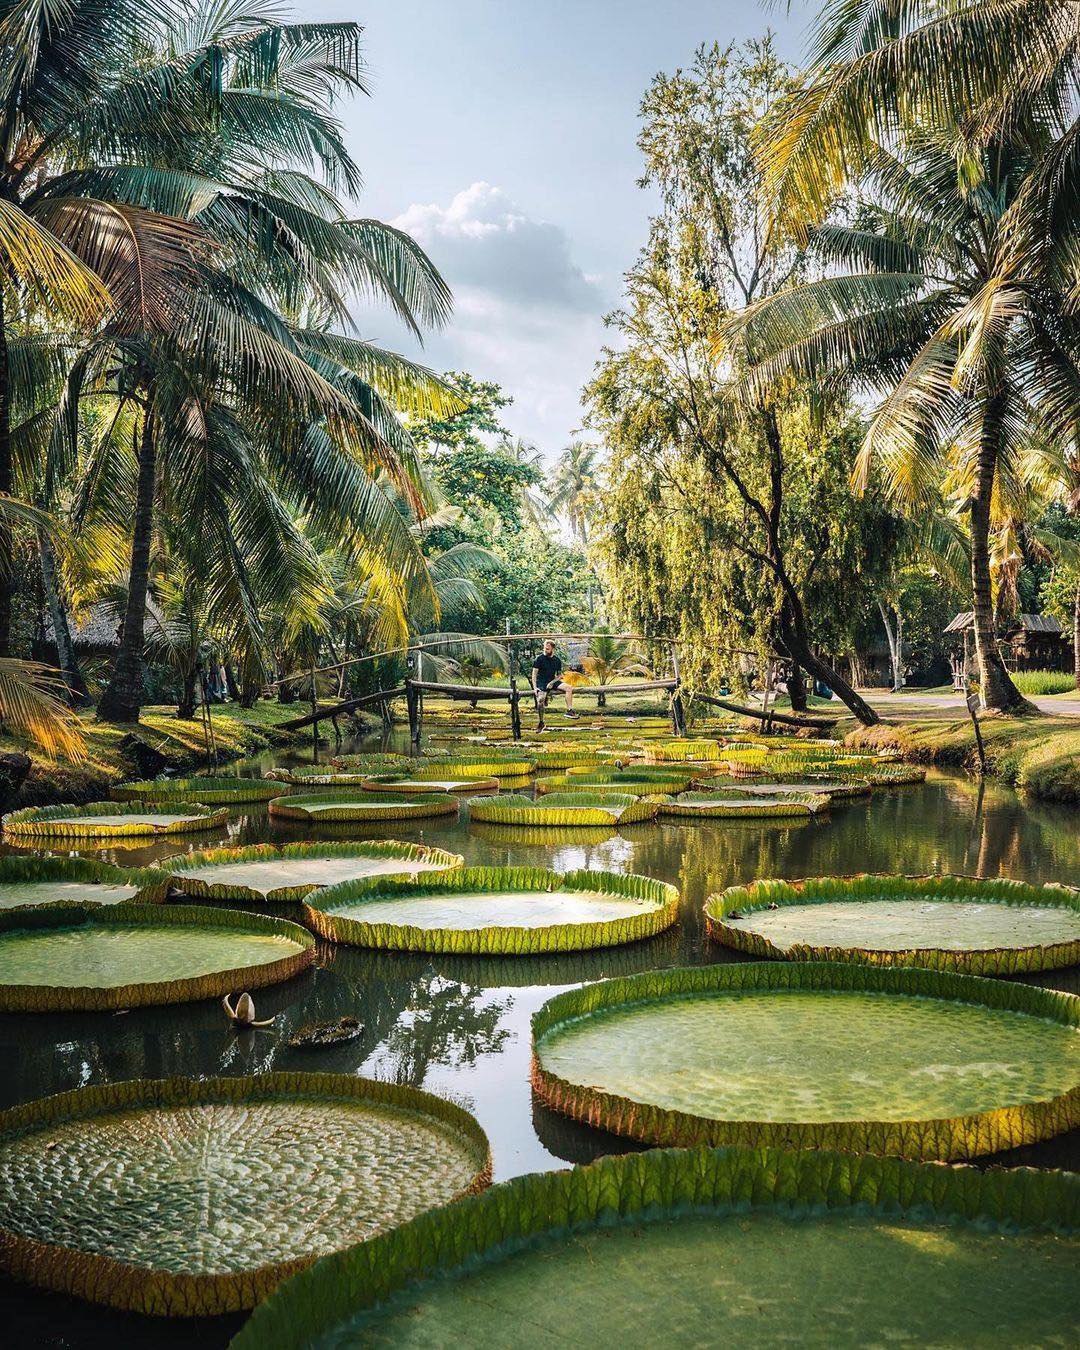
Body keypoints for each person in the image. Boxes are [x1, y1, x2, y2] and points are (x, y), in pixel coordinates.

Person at [531, 639, 577, 716]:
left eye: (547, 649)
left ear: (553, 649)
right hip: (541, 682)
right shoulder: (539, 659)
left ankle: (570, 711)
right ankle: (541, 721)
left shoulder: (557, 660)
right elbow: (534, 675)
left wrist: (552, 682)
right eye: (544, 648)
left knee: (569, 688)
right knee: (541, 699)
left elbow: (560, 676)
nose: (545, 650)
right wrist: (535, 688)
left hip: (553, 681)